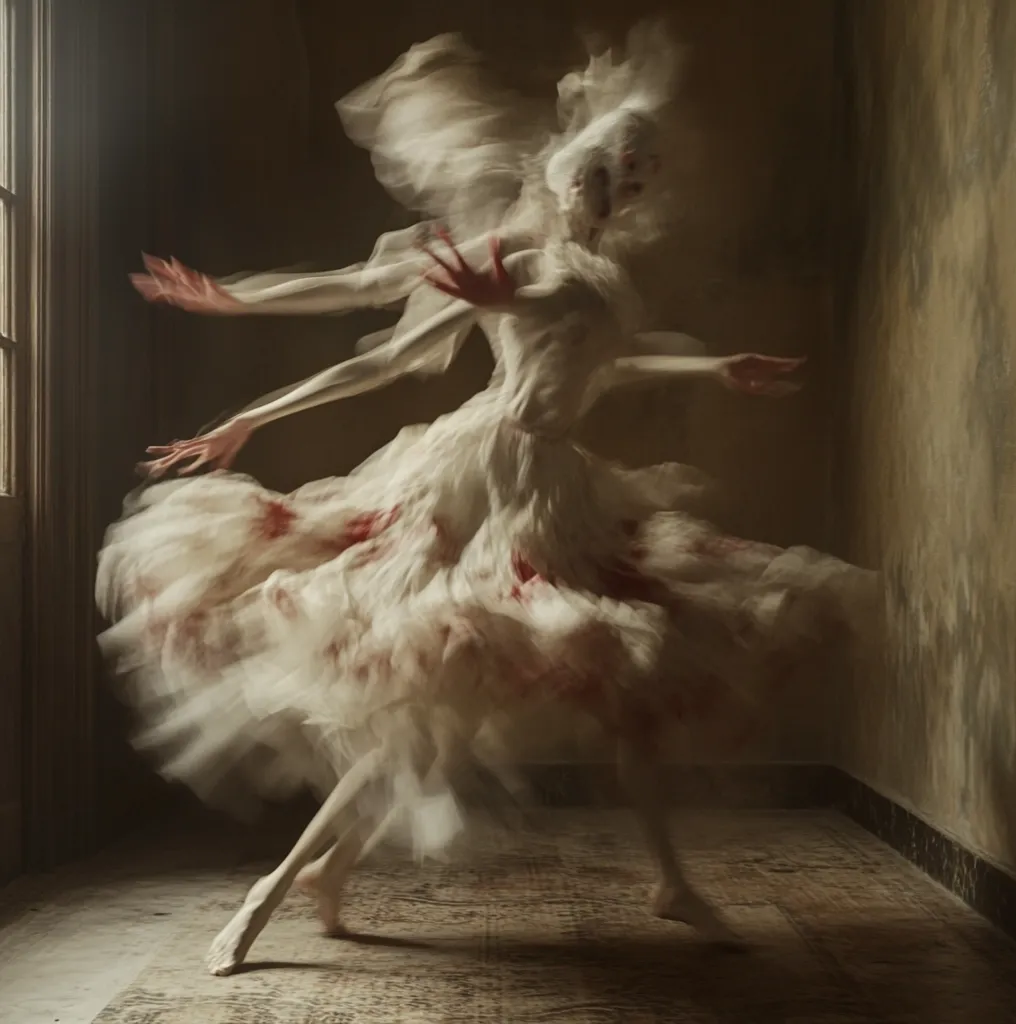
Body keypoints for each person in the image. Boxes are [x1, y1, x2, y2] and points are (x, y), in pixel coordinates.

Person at [98, 24, 876, 976]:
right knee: (427, 687)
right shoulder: (508, 254)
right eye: (601, 170)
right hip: (479, 480)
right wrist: (248, 366)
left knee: (632, 676)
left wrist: (718, 365)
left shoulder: (605, 280)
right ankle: (277, 888)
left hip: (559, 488)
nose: (615, 186)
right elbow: (374, 331)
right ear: (563, 173)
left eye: (632, 177)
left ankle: (670, 882)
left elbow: (610, 358)